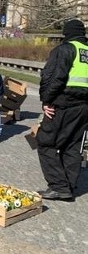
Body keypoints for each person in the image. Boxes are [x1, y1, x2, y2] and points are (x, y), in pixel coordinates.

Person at [36, 19, 88, 202]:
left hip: (62, 104)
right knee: (72, 145)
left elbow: (53, 78)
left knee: (45, 142)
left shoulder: (65, 50)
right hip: (83, 108)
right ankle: (69, 185)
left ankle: (58, 186)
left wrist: (46, 101)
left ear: (66, 33)